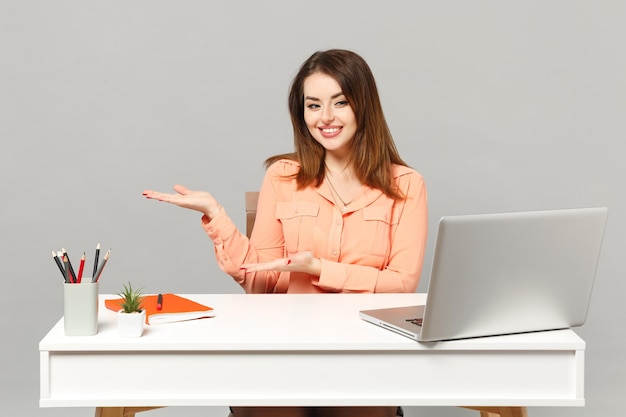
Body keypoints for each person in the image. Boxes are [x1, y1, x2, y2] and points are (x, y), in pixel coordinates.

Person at [143, 49, 428, 417]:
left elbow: (401, 284)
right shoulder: (281, 176)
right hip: (284, 344)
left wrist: (319, 269)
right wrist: (217, 216)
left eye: (339, 102)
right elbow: (263, 280)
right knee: (265, 405)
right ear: (301, 112)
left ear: (364, 106)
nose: (325, 118)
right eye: (313, 106)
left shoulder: (406, 184)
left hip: (365, 349)